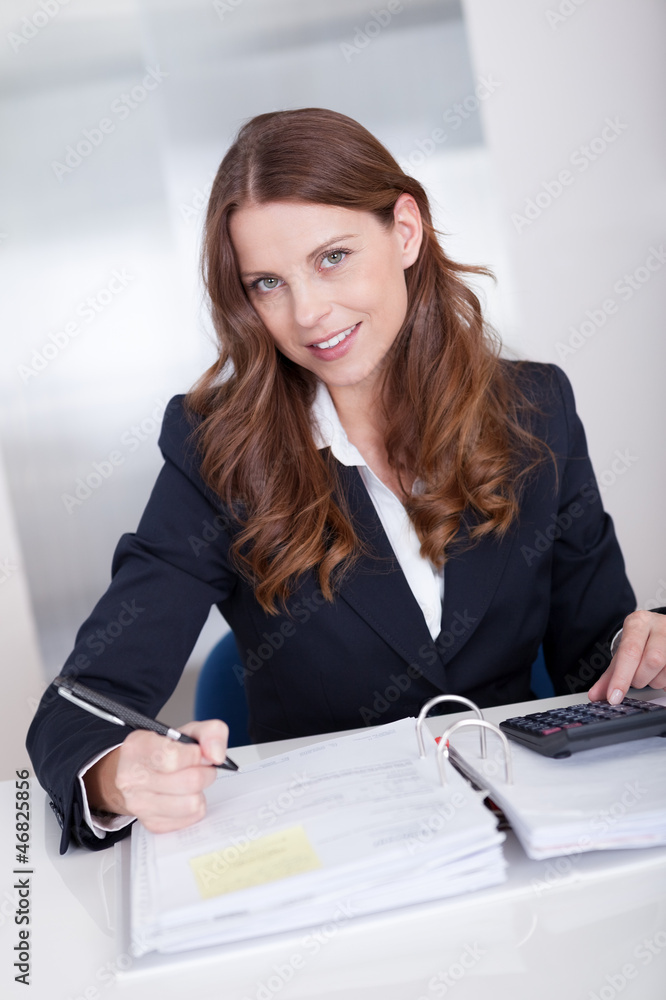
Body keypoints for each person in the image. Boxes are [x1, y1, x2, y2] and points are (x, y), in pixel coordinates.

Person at [27, 108, 666, 854]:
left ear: (404, 231)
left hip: (530, 851)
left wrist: (647, 649)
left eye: (332, 257)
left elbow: (602, 664)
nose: (308, 312)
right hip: (342, 874)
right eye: (268, 282)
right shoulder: (218, 451)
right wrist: (114, 778)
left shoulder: (536, 409)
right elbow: (81, 707)